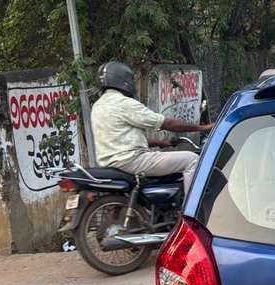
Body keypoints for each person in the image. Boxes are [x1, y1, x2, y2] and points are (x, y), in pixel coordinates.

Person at [90, 61, 212, 192]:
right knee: (192, 160)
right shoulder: (124, 103)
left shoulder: (98, 106)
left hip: (112, 162)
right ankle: (190, 210)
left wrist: (161, 143)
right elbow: (166, 123)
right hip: (132, 161)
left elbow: (122, 141)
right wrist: (203, 128)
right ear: (124, 81)